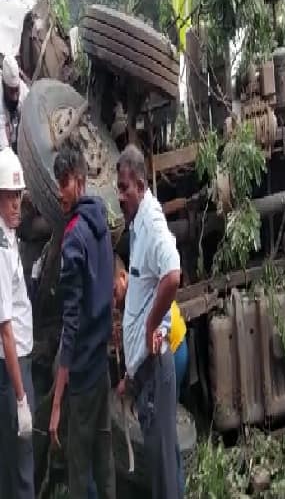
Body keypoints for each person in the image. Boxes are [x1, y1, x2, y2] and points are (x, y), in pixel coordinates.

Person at [47, 145, 116, 499]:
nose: (60, 192)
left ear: (79, 181)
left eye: (64, 184)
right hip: (102, 365)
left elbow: (71, 324)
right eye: (58, 183)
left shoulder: (74, 236)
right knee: (105, 462)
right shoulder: (100, 220)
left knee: (78, 470)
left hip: (85, 375)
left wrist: (57, 403)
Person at [115, 144, 182, 499]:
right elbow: (141, 296)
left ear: (140, 185)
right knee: (159, 471)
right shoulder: (137, 225)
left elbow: (173, 275)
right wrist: (128, 376)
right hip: (144, 373)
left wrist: (150, 325)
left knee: (163, 474)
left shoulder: (152, 222)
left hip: (156, 369)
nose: (120, 196)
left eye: (124, 188)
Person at [112, 255, 187, 495]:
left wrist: (128, 380)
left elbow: (144, 348)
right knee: (167, 440)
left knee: (160, 442)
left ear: (122, 277)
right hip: (173, 348)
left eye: (113, 292)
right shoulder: (134, 287)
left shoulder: (137, 296)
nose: (113, 301)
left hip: (170, 353)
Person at [0, 148, 33, 499]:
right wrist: (22, 397)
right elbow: (5, 329)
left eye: (18, 196)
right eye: (8, 198)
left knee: (11, 466)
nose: (15, 205)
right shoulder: (1, 249)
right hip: (14, 370)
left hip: (13, 367)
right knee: (22, 470)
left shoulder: (10, 239)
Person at [0, 56, 29, 152]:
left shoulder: (23, 91)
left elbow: (33, 112)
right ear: (4, 84)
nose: (15, 96)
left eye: (16, 90)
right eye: (11, 92)